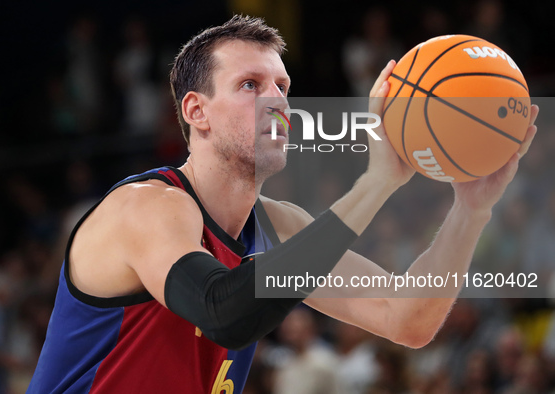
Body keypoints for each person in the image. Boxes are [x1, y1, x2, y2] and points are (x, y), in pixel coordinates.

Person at [27, 15, 539, 393]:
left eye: (283, 86)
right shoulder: (143, 208)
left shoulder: (281, 225)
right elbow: (222, 310)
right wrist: (376, 184)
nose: (276, 100)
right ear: (195, 111)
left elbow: (407, 318)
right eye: (250, 85)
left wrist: (470, 210)